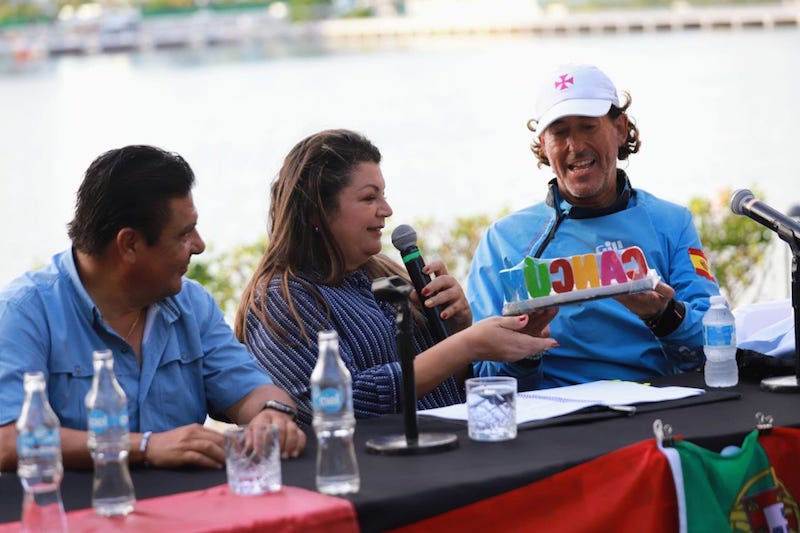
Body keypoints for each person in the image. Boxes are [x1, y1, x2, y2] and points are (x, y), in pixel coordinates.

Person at [0, 145, 306, 471]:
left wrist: (271, 415)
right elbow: (7, 441)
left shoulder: (191, 304)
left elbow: (252, 392)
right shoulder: (24, 312)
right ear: (129, 244)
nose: (199, 246)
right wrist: (144, 447)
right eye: (184, 234)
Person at [235, 129, 558, 428]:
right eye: (369, 198)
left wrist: (460, 329)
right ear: (316, 211)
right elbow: (340, 403)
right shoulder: (283, 298)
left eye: (383, 195)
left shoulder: (385, 273)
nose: (387, 210)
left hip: (457, 446)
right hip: (382, 473)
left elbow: (457, 392)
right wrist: (464, 345)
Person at [466, 64, 720, 390]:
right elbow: (487, 381)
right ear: (543, 143)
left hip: (656, 407)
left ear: (620, 128)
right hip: (554, 422)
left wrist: (666, 317)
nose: (576, 145)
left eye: (588, 127)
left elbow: (715, 345)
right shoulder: (503, 239)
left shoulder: (671, 222)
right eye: (559, 133)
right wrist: (525, 349)